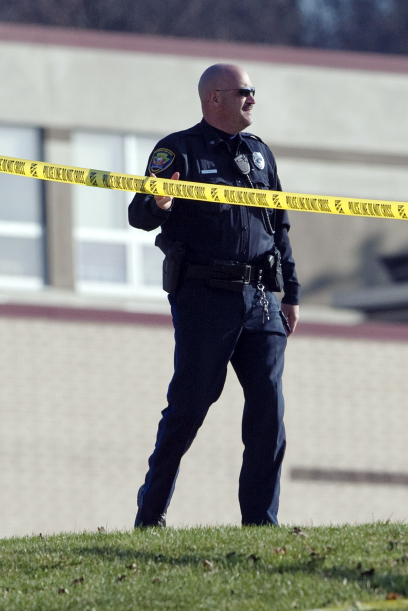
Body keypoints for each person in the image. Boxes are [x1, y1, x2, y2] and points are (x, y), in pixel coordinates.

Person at [128, 63, 300, 528]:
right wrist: (158, 202)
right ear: (215, 99)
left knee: (269, 409)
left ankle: (261, 524)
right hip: (205, 297)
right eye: (245, 92)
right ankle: (151, 512)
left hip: (261, 297)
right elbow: (140, 214)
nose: (253, 99)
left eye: (254, 91)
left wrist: (291, 291)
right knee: (191, 407)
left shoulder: (260, 155)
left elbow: (279, 225)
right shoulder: (177, 149)